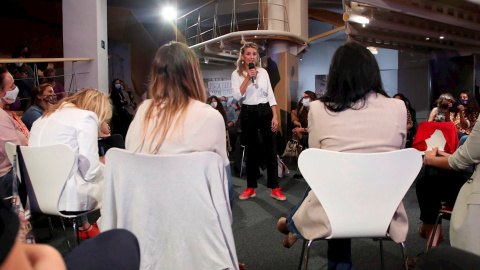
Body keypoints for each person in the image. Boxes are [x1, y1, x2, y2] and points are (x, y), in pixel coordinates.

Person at [277, 42, 407, 269]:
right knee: (338, 184)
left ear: (335, 74)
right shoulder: (398, 107)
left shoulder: (319, 109)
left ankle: (293, 223)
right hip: (383, 207)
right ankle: (292, 223)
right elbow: (398, 153)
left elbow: (315, 166)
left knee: (332, 187)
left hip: (335, 209)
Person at [125, 41, 233, 205]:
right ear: (194, 74)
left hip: (141, 218)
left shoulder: (142, 111)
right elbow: (225, 189)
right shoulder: (211, 116)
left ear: (156, 75)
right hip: (191, 218)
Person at [29, 88, 112, 239]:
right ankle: (110, 234)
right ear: (98, 108)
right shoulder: (86, 117)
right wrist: (108, 167)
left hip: (38, 195)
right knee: (118, 177)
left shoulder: (41, 120)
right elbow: (91, 173)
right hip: (69, 197)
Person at [231, 42, 286, 201]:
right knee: (250, 150)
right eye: (248, 54)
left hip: (265, 111)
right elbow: (236, 96)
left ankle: (275, 188)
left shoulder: (263, 72)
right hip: (247, 111)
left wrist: (274, 115)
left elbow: (270, 94)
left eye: (254, 54)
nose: (251, 56)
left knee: (271, 149)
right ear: (243, 56)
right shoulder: (236, 74)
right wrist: (248, 77)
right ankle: (250, 187)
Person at [0, 67, 26, 199]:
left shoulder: (5, 114)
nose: (15, 88)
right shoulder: (1, 117)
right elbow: (15, 152)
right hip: (6, 178)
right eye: (11, 87)